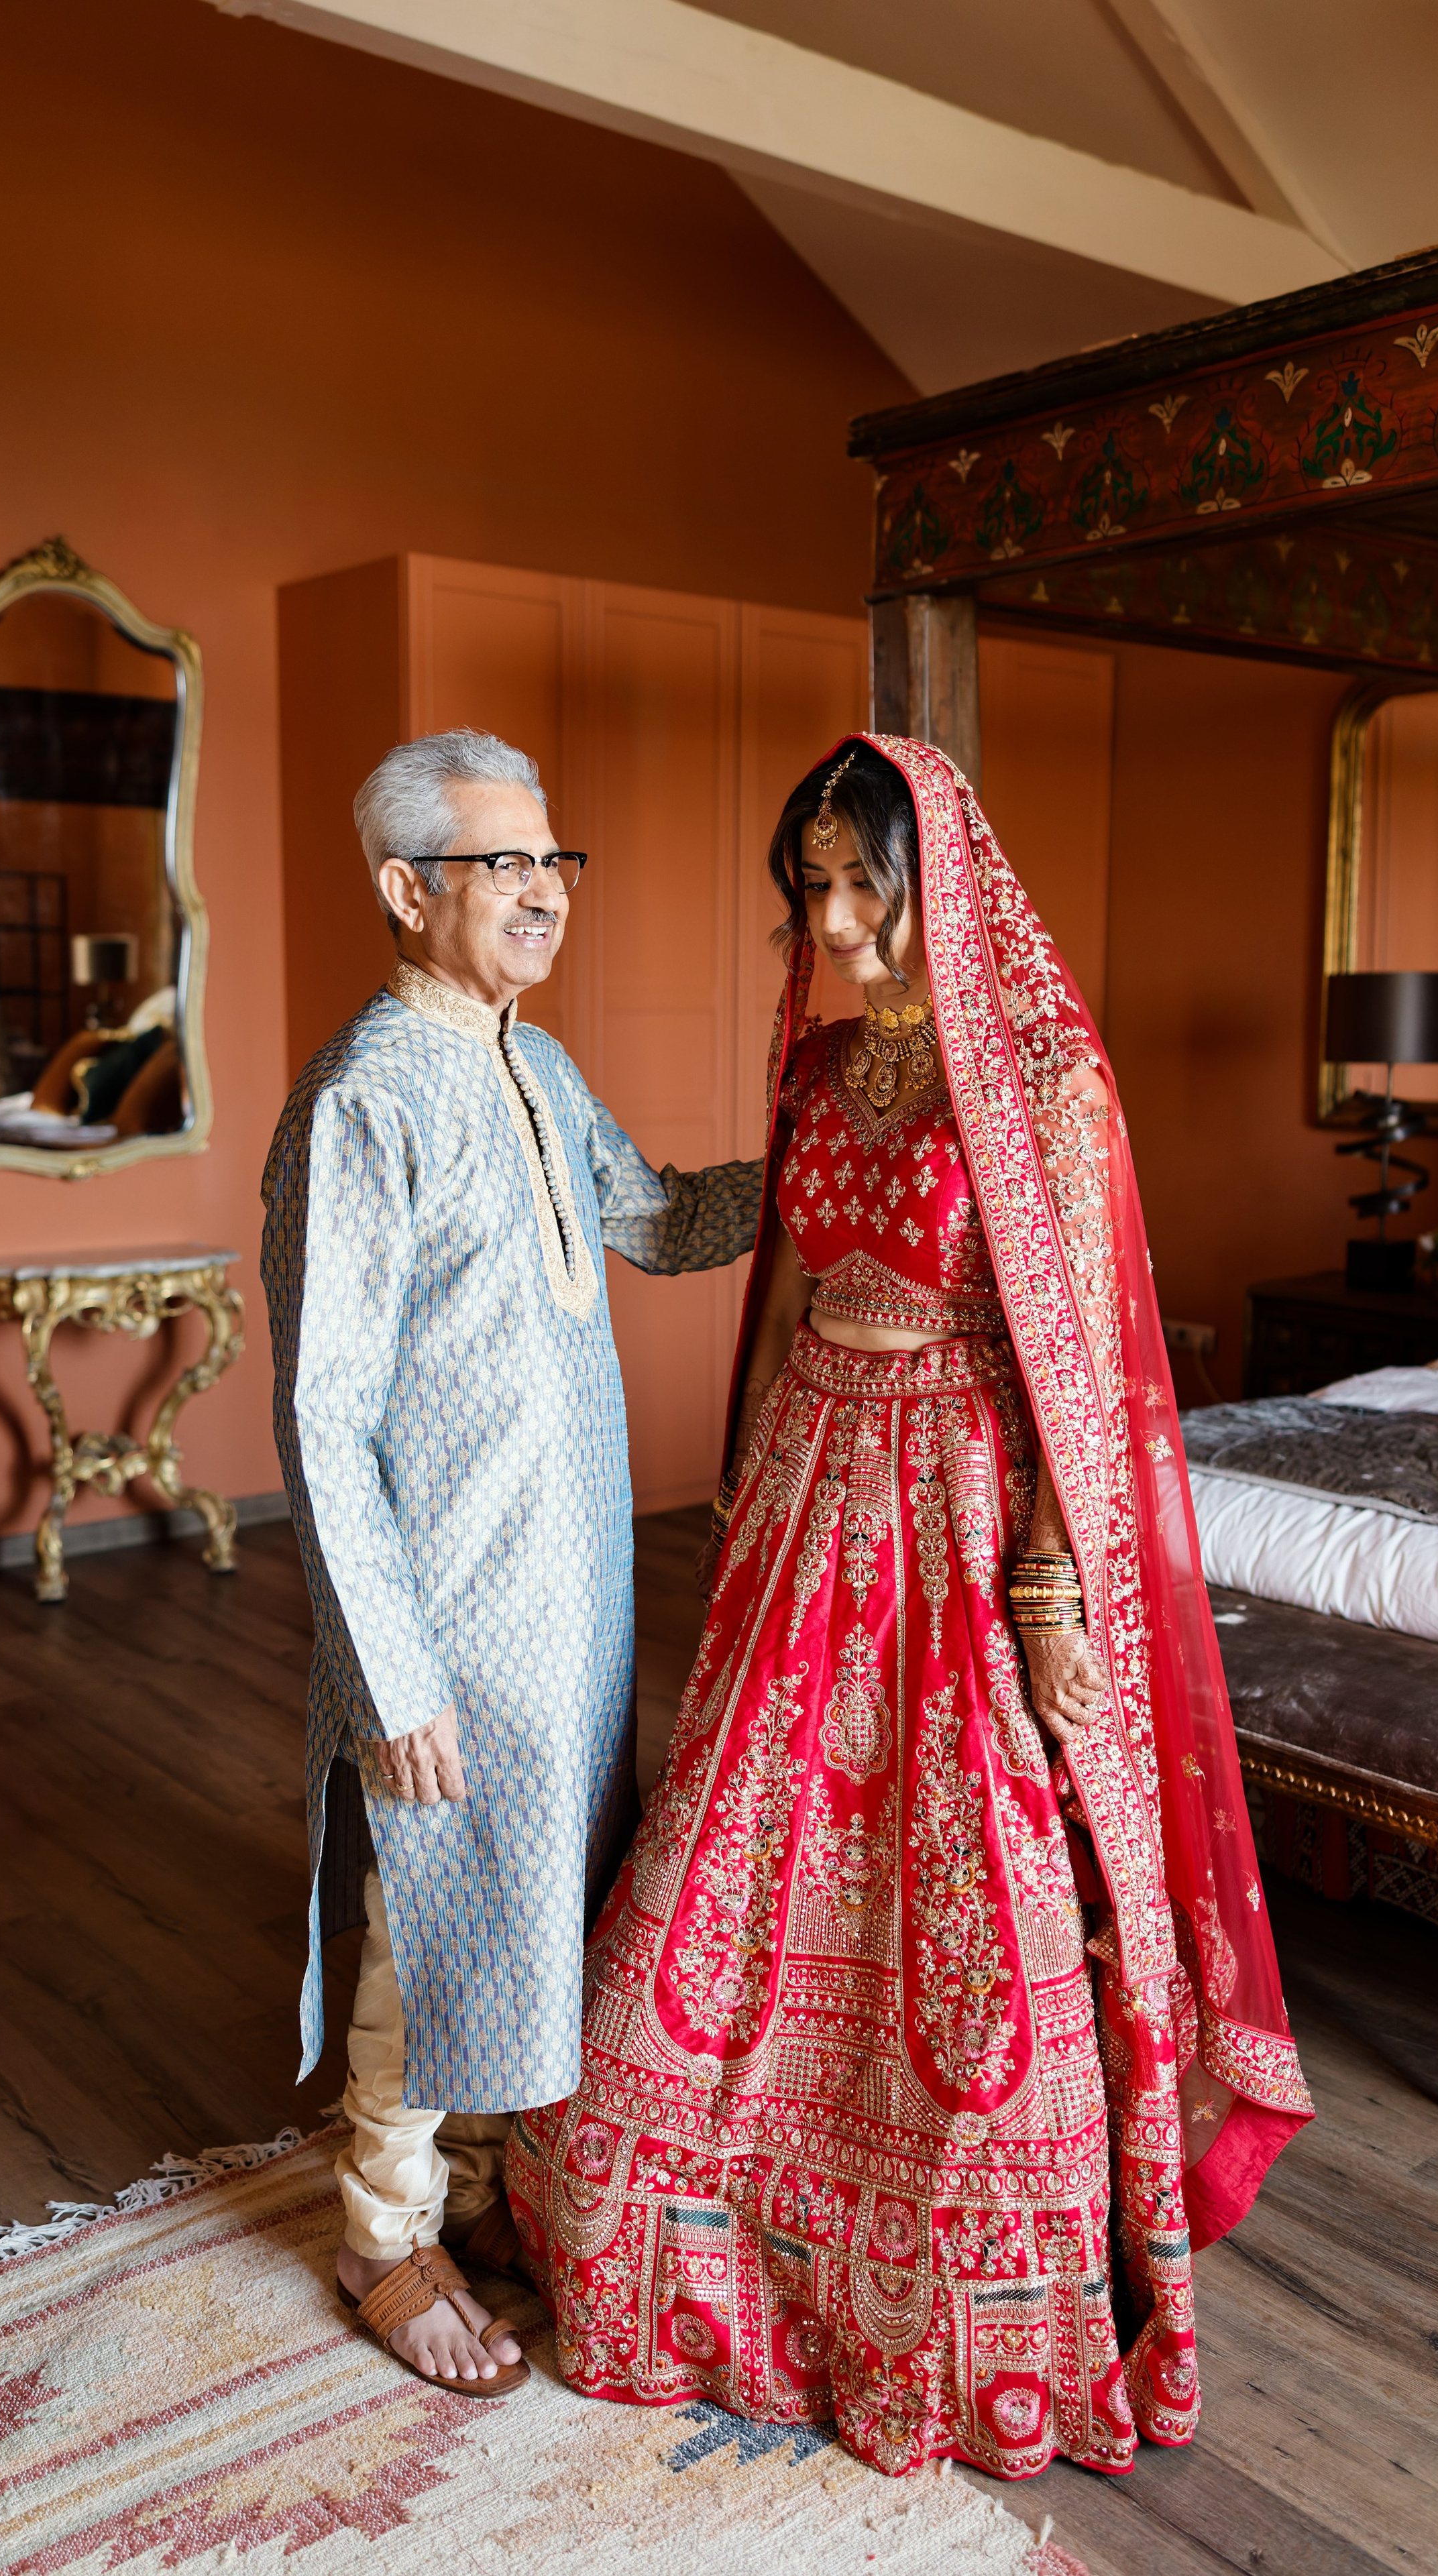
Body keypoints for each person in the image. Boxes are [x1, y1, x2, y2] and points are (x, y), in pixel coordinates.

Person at [508, 734, 1313, 2478]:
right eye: (811, 887)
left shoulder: (1038, 1076)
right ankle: (691, 2228)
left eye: (862, 883)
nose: (836, 917)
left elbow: (1077, 1357)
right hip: (809, 1492)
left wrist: (1048, 1572)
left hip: (956, 1499)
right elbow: (791, 1287)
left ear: (934, 878)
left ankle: (973, 2283)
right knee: (717, 1865)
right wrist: (741, 1507)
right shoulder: (813, 1071)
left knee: (971, 1873)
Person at [261, 728, 761, 2398]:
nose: (543, 890)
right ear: (407, 890)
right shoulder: (362, 1099)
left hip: (573, 1594)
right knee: (432, 1912)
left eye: (556, 860)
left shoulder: (536, 1070)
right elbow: (322, 1420)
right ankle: (381, 2233)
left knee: (543, 1893)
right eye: (502, 864)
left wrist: (836, 1153)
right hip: (448, 1613)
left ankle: (475, 2188)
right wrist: (388, 1671)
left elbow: (662, 1218)